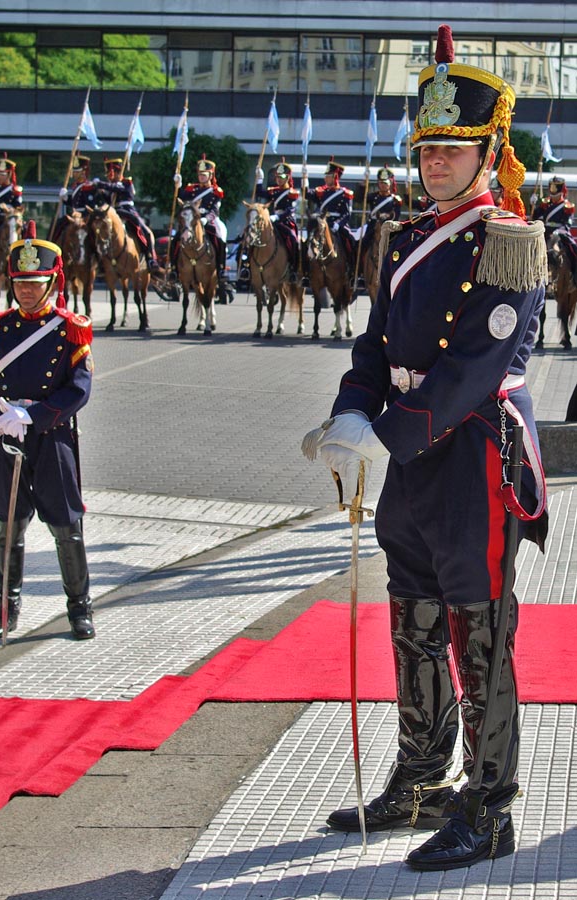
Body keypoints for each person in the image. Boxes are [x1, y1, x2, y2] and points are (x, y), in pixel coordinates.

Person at [302, 24, 548, 871]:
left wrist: (384, 436)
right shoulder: (405, 239)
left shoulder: (510, 242)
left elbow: (472, 370)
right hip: (405, 461)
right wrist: (347, 414)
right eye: (427, 148)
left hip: (469, 459)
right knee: (411, 618)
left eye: (453, 148)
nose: (434, 162)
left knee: (477, 631)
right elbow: (374, 348)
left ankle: (489, 806)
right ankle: (421, 773)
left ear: (490, 153)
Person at [0, 223, 96, 641]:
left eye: (35, 283)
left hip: (51, 438)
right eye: (21, 283)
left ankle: (80, 610)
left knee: (66, 527)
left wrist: (35, 415)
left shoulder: (69, 328)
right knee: (10, 527)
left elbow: (80, 387)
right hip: (6, 439)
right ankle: (6, 610)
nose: (26, 290)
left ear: (52, 282)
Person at [171, 155, 228, 282]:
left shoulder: (216, 191)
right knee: (175, 240)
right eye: (200, 174)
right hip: (192, 220)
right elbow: (181, 199)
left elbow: (215, 210)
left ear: (210, 175)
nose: (201, 177)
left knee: (219, 240)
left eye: (204, 174)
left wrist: (206, 219)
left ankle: (221, 268)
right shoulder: (192, 189)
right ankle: (174, 269)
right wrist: (178, 185)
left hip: (208, 220)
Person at [96, 156, 159, 270]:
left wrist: (101, 184)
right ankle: (99, 259)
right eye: (109, 175)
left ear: (118, 172)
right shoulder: (112, 186)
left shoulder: (126, 182)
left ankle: (150, 258)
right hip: (114, 212)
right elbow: (109, 199)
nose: (110, 177)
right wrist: (101, 193)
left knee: (146, 232)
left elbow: (118, 189)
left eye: (112, 173)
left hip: (127, 210)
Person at [305, 157, 356, 278]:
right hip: (321, 222)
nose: (325, 178)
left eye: (328, 175)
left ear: (335, 177)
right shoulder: (320, 191)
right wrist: (304, 179)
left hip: (337, 224)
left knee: (350, 241)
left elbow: (347, 214)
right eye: (326, 175)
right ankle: (304, 271)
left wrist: (337, 224)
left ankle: (352, 269)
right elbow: (306, 194)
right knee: (308, 241)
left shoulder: (344, 193)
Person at [254, 159, 300, 281]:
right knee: (253, 235)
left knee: (292, 239)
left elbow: (290, 210)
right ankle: (248, 266)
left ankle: (293, 268)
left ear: (288, 177)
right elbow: (259, 193)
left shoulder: (292, 193)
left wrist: (277, 217)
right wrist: (259, 178)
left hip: (286, 221)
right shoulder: (273, 191)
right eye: (277, 177)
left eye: (282, 177)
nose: (279, 179)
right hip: (272, 221)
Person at [51, 154, 98, 246]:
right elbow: (74, 204)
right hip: (74, 215)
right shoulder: (76, 186)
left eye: (77, 171)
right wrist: (66, 198)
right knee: (58, 224)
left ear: (83, 172)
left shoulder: (89, 186)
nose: (74, 174)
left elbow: (89, 205)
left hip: (85, 216)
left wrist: (81, 214)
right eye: (74, 171)